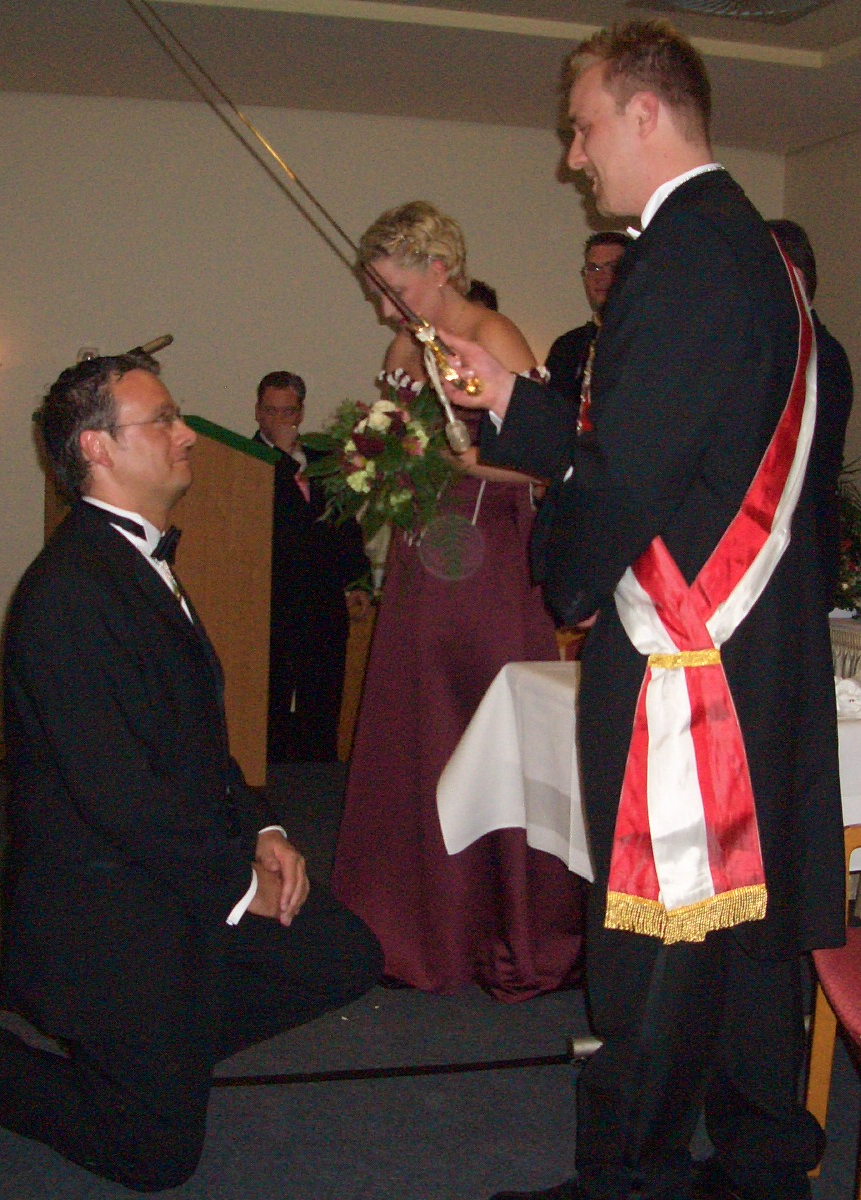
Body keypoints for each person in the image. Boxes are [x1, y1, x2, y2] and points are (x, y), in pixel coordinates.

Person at [447, 22, 844, 1200]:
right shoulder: (743, 245)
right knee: (741, 929)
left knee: (659, 932)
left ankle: (630, 1177)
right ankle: (761, 1155)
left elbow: (622, 478)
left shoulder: (678, 257)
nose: (572, 157)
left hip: (685, 657)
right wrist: (514, 401)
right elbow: (658, 439)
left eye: (580, 128)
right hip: (744, 644)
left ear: (643, 113)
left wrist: (562, 577)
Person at [0, 351, 382, 1193]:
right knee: (154, 1158)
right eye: (163, 420)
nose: (187, 435)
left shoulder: (133, 563)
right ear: (98, 447)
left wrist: (262, 826)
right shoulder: (67, 595)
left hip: (174, 866)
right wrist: (239, 881)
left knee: (343, 955)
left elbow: (194, 744)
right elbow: (117, 796)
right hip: (106, 903)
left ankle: (159, 1050)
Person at [329, 200, 583, 1001]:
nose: (383, 309)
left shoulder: (494, 335)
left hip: (487, 558)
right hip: (426, 555)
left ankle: (503, 930)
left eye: (392, 290)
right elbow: (401, 442)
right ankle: (414, 928)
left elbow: (544, 463)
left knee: (484, 721)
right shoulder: (405, 346)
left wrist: (456, 462)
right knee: (418, 726)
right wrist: (381, 461)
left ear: (438, 269)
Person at [253, 370, 371, 763]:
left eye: (287, 411)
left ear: (301, 413)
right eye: (270, 410)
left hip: (323, 602)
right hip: (272, 603)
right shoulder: (246, 460)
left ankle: (318, 777)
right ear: (257, 412)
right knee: (269, 705)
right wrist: (282, 458)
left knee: (322, 703)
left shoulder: (324, 459)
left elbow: (346, 526)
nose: (279, 419)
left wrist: (359, 582)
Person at [767, 218, 854, 608]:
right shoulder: (787, 347)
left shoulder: (819, 355)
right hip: (782, 549)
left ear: (795, 274)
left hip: (797, 551)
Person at [543, 231, 632, 398]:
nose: (599, 277)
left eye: (612, 267)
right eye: (593, 268)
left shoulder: (645, 340)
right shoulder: (567, 347)